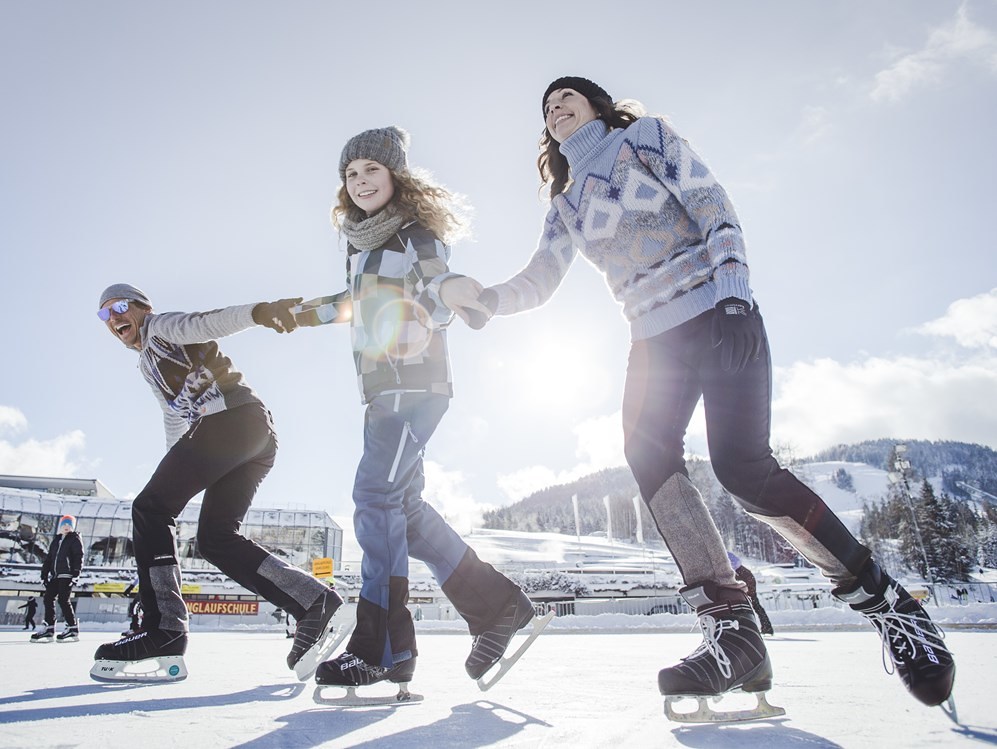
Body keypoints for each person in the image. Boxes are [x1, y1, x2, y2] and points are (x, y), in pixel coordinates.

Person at [444, 76, 955, 715]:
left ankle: (889, 606)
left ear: (598, 105)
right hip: (651, 341)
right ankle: (732, 630)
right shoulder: (567, 206)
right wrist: (488, 301)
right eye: (547, 106)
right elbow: (540, 278)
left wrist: (736, 292)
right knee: (646, 455)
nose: (557, 106)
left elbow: (713, 206)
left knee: (744, 470)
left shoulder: (646, 139)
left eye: (567, 95)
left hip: (718, 313)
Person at [299, 127, 536, 692]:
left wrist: (455, 294)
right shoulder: (361, 246)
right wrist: (296, 312)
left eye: (371, 171)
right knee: (402, 509)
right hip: (383, 391)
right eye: (351, 174)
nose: (359, 182)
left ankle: (382, 645)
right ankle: (496, 606)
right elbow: (357, 305)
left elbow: (436, 284)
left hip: (413, 387)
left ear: (395, 177)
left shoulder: (414, 233)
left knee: (374, 497)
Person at [92, 284, 343, 680]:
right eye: (105, 314)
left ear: (143, 308)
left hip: (231, 421)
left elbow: (207, 323)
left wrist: (260, 310)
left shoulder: (161, 328)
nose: (114, 318)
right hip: (250, 433)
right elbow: (174, 417)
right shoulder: (147, 364)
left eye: (121, 307)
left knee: (149, 509)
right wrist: (176, 473)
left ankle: (163, 630)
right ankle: (314, 602)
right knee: (214, 539)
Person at [31, 515, 83, 643]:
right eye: (64, 524)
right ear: (60, 526)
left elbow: (79, 556)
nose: (66, 527)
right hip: (55, 575)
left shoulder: (75, 538)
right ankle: (49, 627)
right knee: (48, 598)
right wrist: (44, 574)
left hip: (67, 575)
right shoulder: (57, 540)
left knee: (63, 600)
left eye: (69, 525)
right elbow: (49, 558)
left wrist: (76, 573)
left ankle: (72, 627)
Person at [727, 551, 773, 636]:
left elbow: (729, 570)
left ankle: (757, 628)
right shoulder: (725, 554)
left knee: (749, 604)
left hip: (744, 577)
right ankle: (765, 627)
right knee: (753, 603)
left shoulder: (722, 556)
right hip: (746, 576)